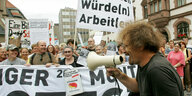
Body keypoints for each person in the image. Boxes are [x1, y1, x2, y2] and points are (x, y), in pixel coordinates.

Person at [106, 22, 184, 96]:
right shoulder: (144, 64)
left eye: (127, 46)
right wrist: (120, 75)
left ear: (140, 45)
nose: (124, 51)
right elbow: (139, 87)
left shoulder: (157, 70)